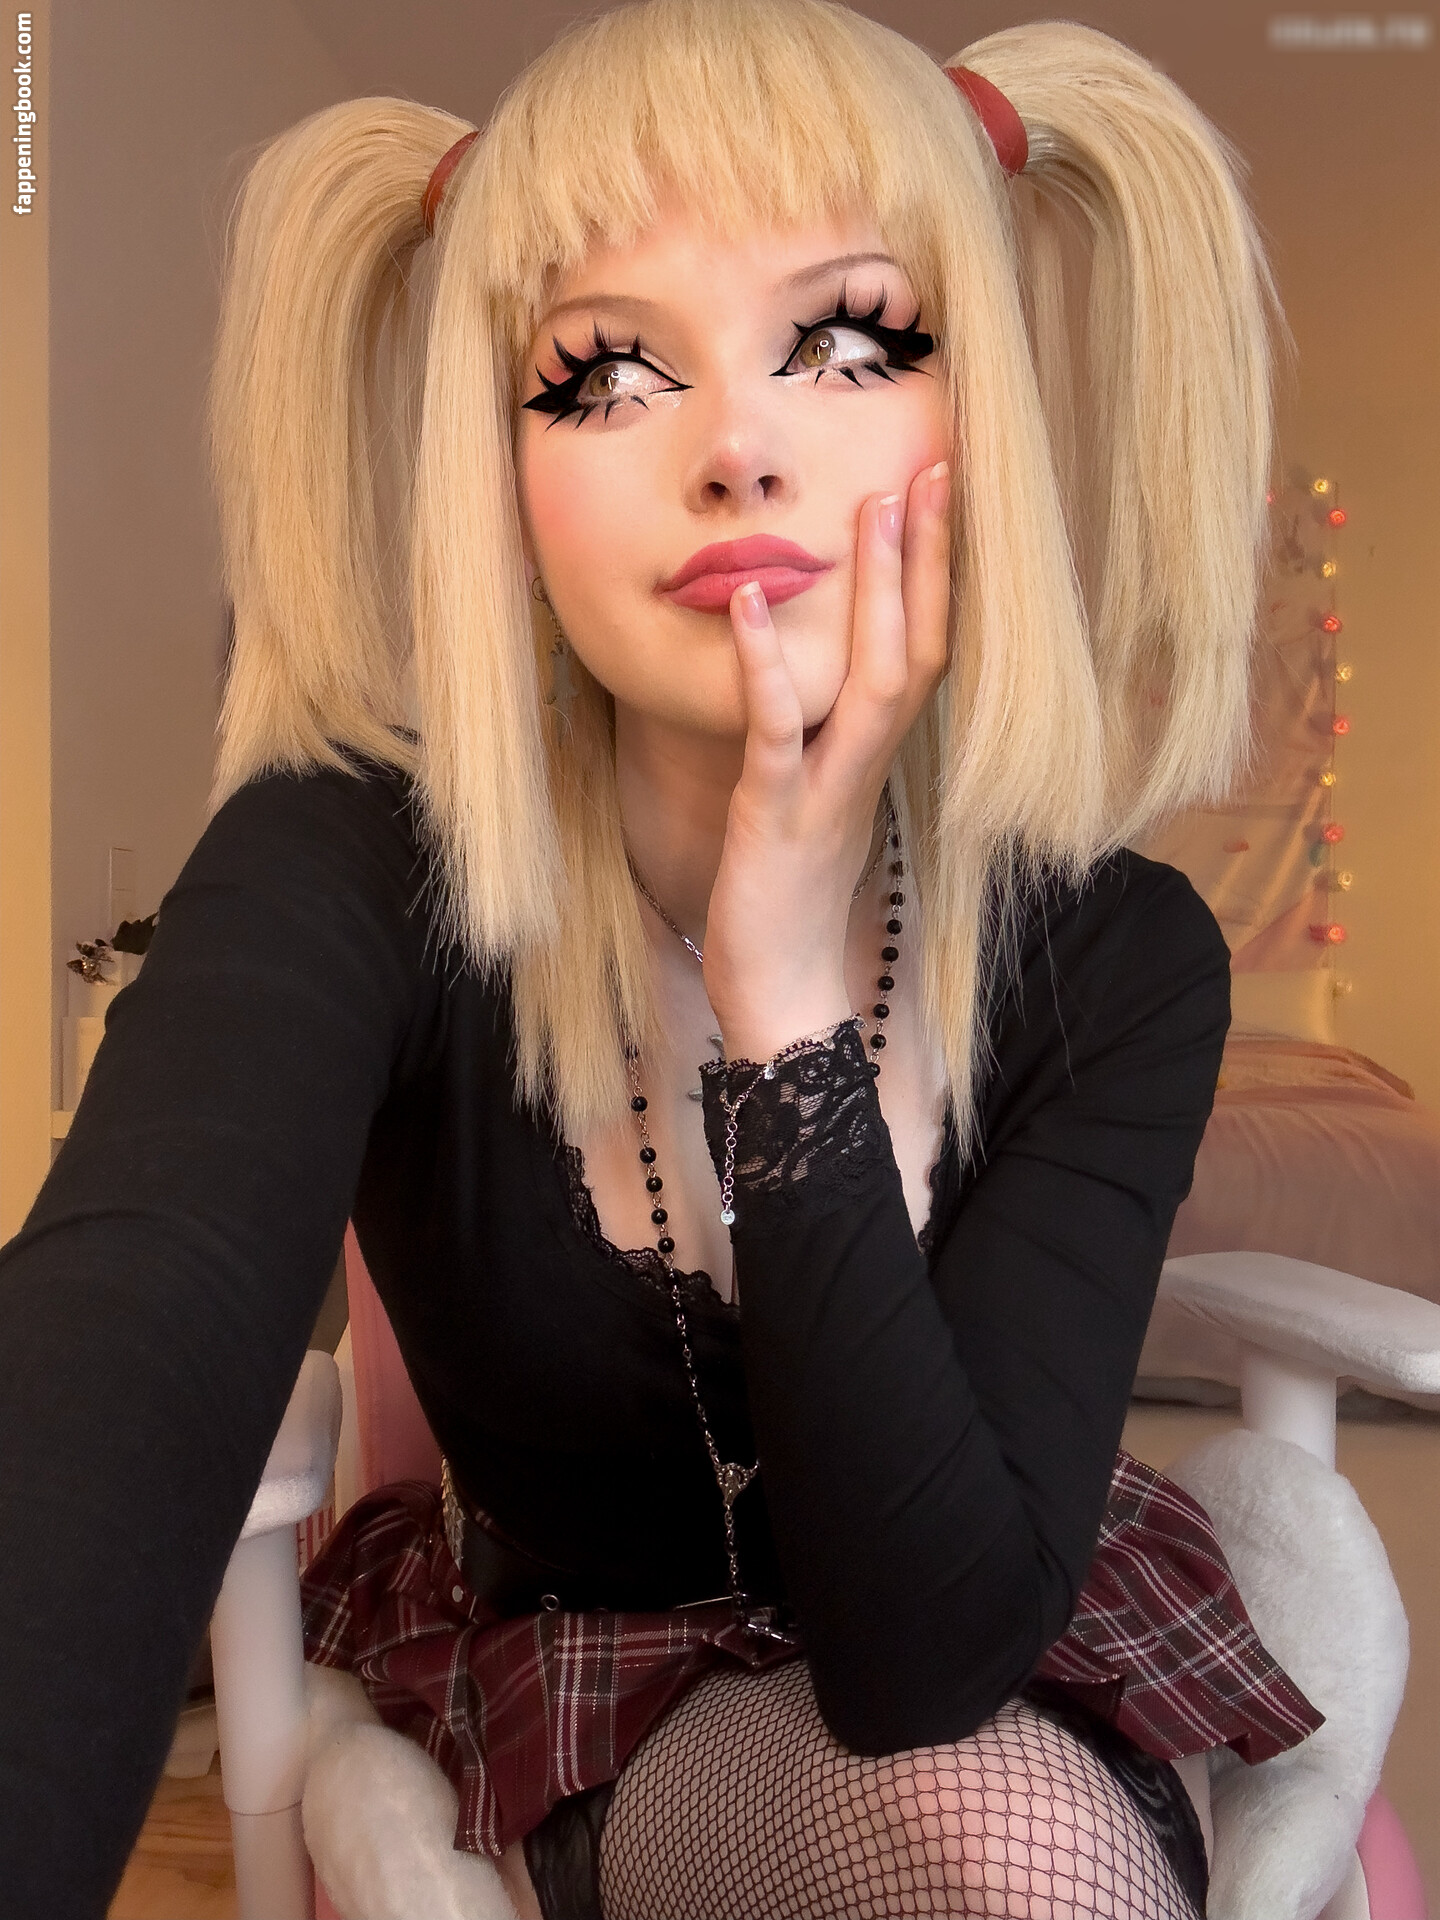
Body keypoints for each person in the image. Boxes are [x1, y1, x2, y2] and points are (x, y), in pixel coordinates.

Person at [0, 3, 1323, 1916]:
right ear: (500, 471)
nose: (737, 450)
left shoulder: (1117, 958)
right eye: (609, 371)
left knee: (1006, 1836)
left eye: (850, 341)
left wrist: (782, 1007)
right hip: (598, 1702)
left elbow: (926, 1659)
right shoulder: (353, 866)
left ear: (986, 420)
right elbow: (123, 1329)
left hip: (977, 1664)